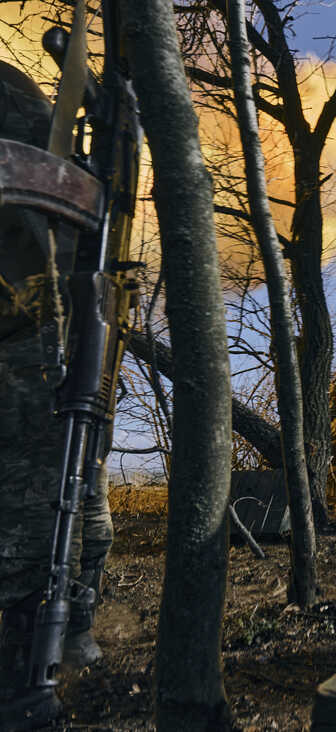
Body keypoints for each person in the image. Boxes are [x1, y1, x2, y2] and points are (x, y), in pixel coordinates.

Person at [0, 60, 114, 729]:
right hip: (41, 353)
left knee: (69, 527)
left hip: (50, 353)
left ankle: (52, 660)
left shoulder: (14, 92)